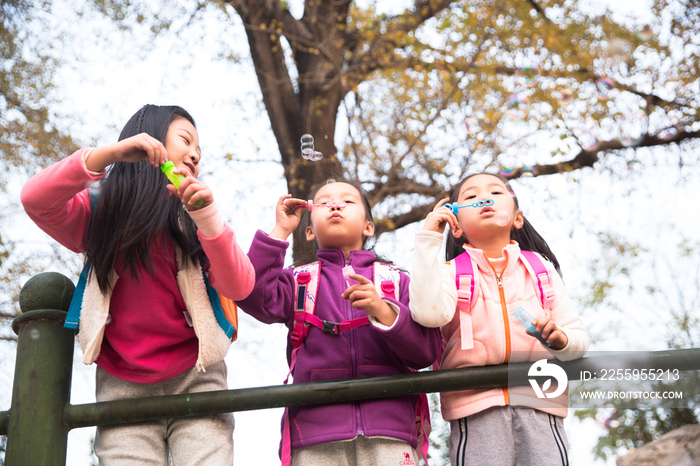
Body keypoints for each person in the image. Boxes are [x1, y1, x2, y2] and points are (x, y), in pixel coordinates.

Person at [21, 104, 255, 465]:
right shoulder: (101, 214)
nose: (195, 153)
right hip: (122, 382)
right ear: (147, 138)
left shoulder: (196, 218)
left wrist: (208, 219)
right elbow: (35, 199)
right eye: (186, 140)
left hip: (197, 374)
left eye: (199, 151)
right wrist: (109, 154)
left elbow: (240, 286)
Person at [235, 179, 442, 466]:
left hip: (389, 433)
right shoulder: (298, 281)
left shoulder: (396, 281)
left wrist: (383, 311)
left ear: (368, 227)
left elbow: (425, 353)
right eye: (324, 201)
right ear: (309, 231)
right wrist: (280, 231)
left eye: (347, 201)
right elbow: (251, 294)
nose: (335, 205)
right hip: (315, 437)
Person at [409, 173, 590, 466]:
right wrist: (429, 237)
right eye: (470, 196)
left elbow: (578, 339)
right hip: (474, 409)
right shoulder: (448, 273)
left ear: (517, 218)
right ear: (455, 226)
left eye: (496, 191)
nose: (484, 198)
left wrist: (561, 341)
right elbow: (427, 314)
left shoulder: (539, 270)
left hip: (540, 403)